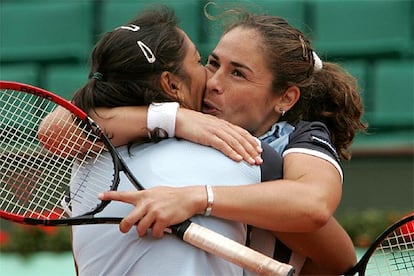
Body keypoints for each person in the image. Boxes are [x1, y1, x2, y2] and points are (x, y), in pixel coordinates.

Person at [94, 9, 367, 275]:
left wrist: (196, 198)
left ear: (285, 98)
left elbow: (313, 204)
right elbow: (61, 125)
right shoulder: (180, 112)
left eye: (237, 73)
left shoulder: (298, 138)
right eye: (212, 63)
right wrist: (175, 120)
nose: (213, 81)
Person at [39, 7, 284, 276]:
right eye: (199, 61)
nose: (210, 77)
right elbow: (329, 249)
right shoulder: (243, 154)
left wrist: (170, 119)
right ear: (172, 84)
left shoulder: (84, 169)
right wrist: (176, 119)